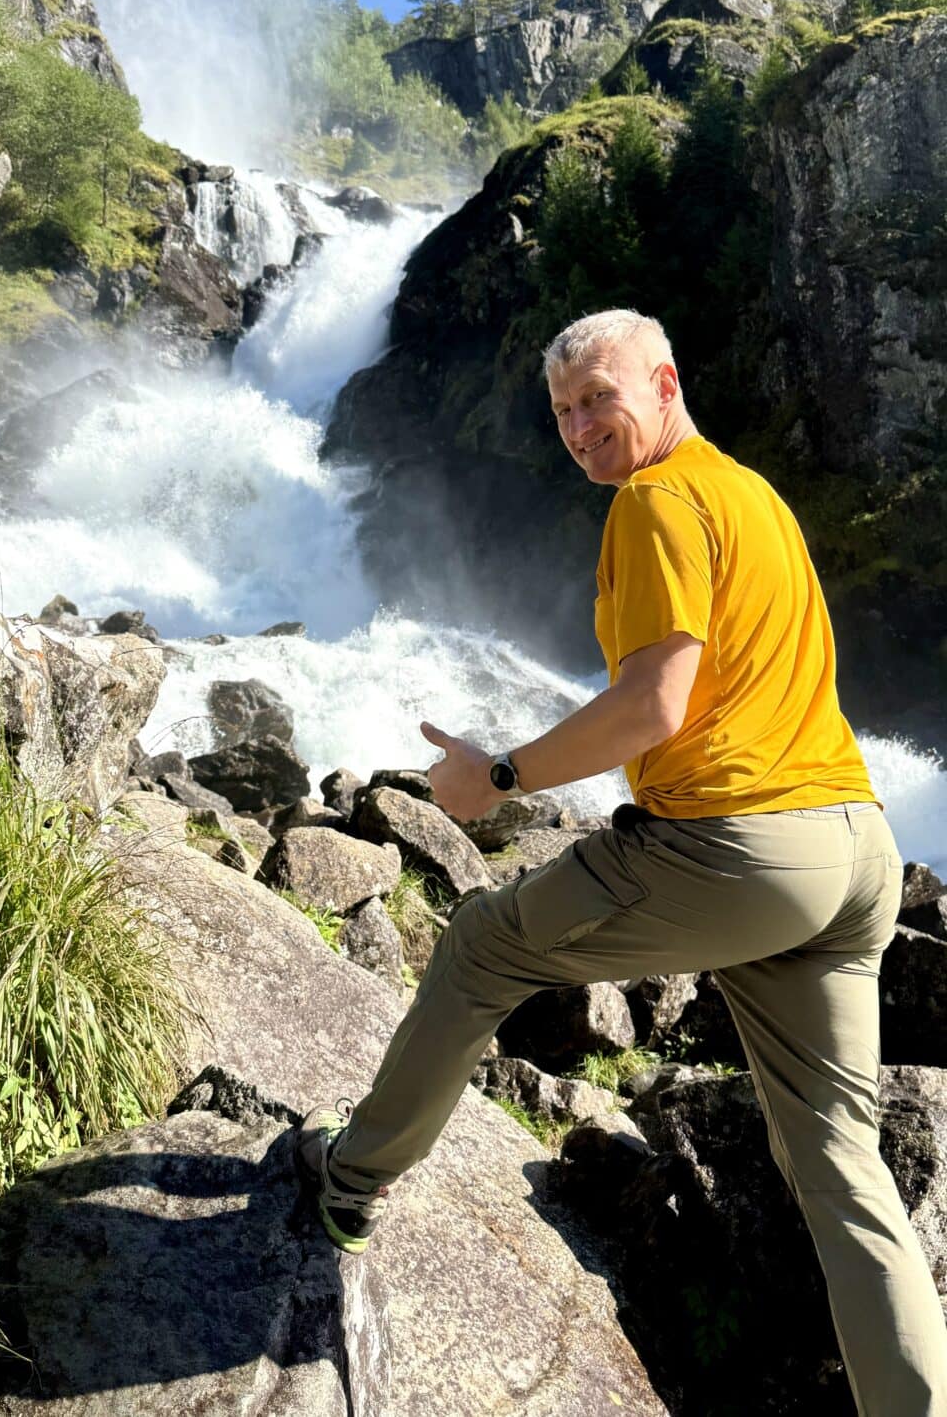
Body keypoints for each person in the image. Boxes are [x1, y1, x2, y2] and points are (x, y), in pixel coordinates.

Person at [295, 308, 947, 1416]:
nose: (579, 426)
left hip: (739, 848)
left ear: (662, 380)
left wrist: (493, 776)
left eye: (597, 396)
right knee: (841, 1172)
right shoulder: (752, 494)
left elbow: (652, 706)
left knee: (482, 944)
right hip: (853, 850)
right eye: (559, 412)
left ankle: (349, 1182)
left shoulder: (655, 501)